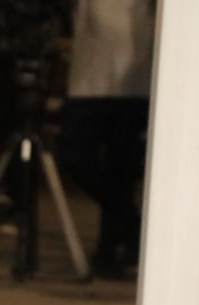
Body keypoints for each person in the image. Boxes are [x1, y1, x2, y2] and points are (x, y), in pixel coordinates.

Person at [58, 0, 154, 280]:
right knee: (74, 157)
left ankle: (108, 251)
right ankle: (134, 228)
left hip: (135, 83)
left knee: (121, 171)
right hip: (86, 82)